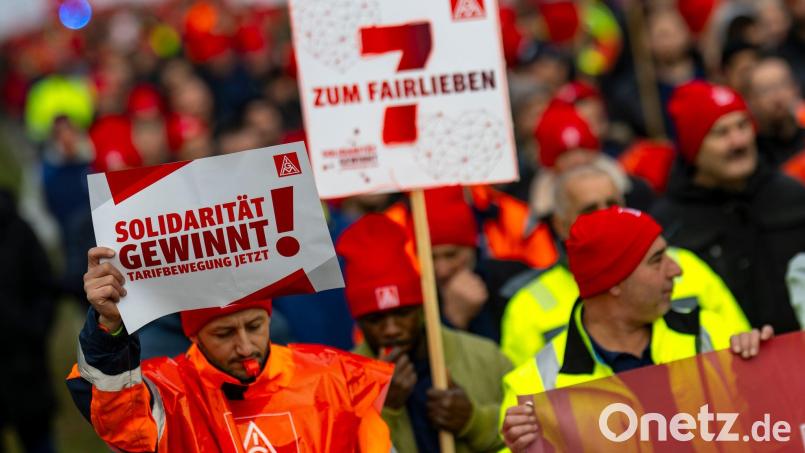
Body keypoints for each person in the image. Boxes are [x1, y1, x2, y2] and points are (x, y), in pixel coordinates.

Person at [500, 207, 774, 452]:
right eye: (657, 260)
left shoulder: (711, 332)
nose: (676, 270)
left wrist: (767, 371)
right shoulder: (533, 386)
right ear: (614, 281)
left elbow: (768, 427)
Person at [66, 247, 393, 452]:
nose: (245, 346)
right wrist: (109, 326)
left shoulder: (335, 377)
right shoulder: (168, 394)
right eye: (224, 334)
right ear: (194, 336)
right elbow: (117, 418)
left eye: (255, 326)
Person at [500, 162, 749, 366]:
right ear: (560, 225)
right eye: (590, 210)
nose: (606, 215)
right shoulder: (527, 307)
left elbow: (739, 346)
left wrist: (752, 347)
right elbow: (530, 395)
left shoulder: (687, 265)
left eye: (613, 204)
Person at [338, 214, 512, 453]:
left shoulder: (484, 357)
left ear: (422, 308)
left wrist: (474, 421)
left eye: (402, 313)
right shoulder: (341, 383)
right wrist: (384, 409)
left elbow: (537, 430)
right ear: (358, 322)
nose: (391, 329)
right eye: (375, 320)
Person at [654, 80, 805, 333]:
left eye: (743, 126)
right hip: (722, 356)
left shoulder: (791, 194)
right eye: (721, 133)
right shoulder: (669, 223)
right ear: (693, 147)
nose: (738, 142)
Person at [0, 189, 58, 453]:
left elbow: (44, 285)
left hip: (25, 366)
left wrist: (35, 328)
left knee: (38, 440)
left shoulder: (16, 227)